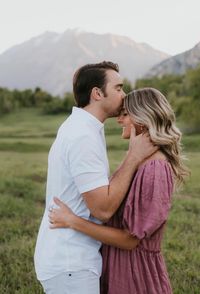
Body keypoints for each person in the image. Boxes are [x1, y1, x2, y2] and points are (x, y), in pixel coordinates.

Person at [49, 87, 189, 294]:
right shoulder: (141, 160)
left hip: (135, 274)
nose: (119, 120)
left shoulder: (155, 169)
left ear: (142, 118)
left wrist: (72, 221)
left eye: (125, 114)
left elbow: (130, 240)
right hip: (120, 266)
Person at [34, 62, 157, 294]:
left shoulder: (83, 128)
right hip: (71, 262)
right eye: (119, 88)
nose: (124, 95)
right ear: (97, 93)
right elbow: (102, 209)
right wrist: (133, 157)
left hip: (71, 257)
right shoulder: (82, 137)